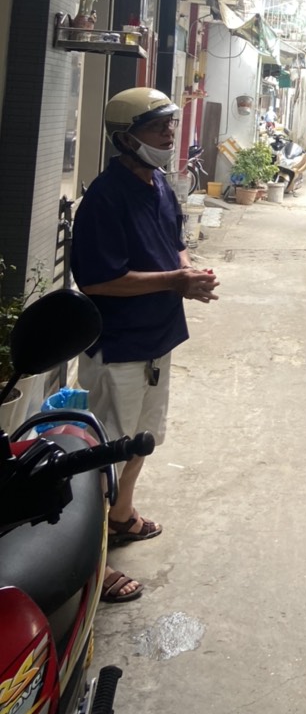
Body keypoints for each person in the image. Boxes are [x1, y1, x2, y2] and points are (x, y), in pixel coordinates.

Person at [71, 87, 219, 603]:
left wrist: (188, 272)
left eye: (171, 125)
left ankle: (121, 515)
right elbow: (98, 280)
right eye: (158, 127)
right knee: (104, 454)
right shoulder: (104, 198)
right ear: (126, 139)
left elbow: (175, 244)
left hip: (158, 336)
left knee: (141, 439)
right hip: (119, 346)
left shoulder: (159, 185)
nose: (169, 135)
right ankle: (90, 565)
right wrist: (176, 282)